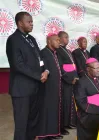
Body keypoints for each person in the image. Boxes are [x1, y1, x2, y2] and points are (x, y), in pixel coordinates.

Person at [6, 12, 49, 140]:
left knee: (33, 120)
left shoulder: (31, 39)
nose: (32, 24)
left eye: (32, 22)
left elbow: (40, 58)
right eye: (29, 22)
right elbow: (18, 65)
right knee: (22, 123)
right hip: (21, 90)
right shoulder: (13, 40)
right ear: (20, 23)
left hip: (35, 87)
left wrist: (46, 70)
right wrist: (38, 76)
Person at [74, 58, 99, 140]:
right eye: (96, 68)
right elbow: (81, 103)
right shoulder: (81, 82)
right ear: (88, 69)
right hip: (88, 116)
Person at [37, 33, 63, 140]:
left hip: (56, 86)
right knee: (46, 110)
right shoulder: (43, 52)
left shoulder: (54, 53)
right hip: (47, 87)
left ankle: (53, 132)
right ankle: (44, 135)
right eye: (56, 40)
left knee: (54, 109)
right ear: (49, 41)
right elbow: (41, 68)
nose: (59, 42)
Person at [57, 31, 78, 133]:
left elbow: (73, 66)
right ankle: (63, 125)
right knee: (65, 103)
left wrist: (76, 76)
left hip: (73, 80)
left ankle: (69, 122)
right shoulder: (58, 50)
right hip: (65, 81)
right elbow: (61, 67)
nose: (67, 39)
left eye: (68, 37)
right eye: (65, 37)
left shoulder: (68, 51)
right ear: (59, 38)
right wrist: (70, 79)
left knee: (70, 102)